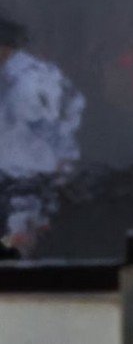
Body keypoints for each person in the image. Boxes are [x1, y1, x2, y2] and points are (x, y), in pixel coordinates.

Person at [0, 16, 85, 257]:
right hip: (20, 185)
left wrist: (59, 169)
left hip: (29, 185)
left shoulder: (32, 80)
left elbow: (57, 134)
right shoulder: (11, 78)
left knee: (19, 248)